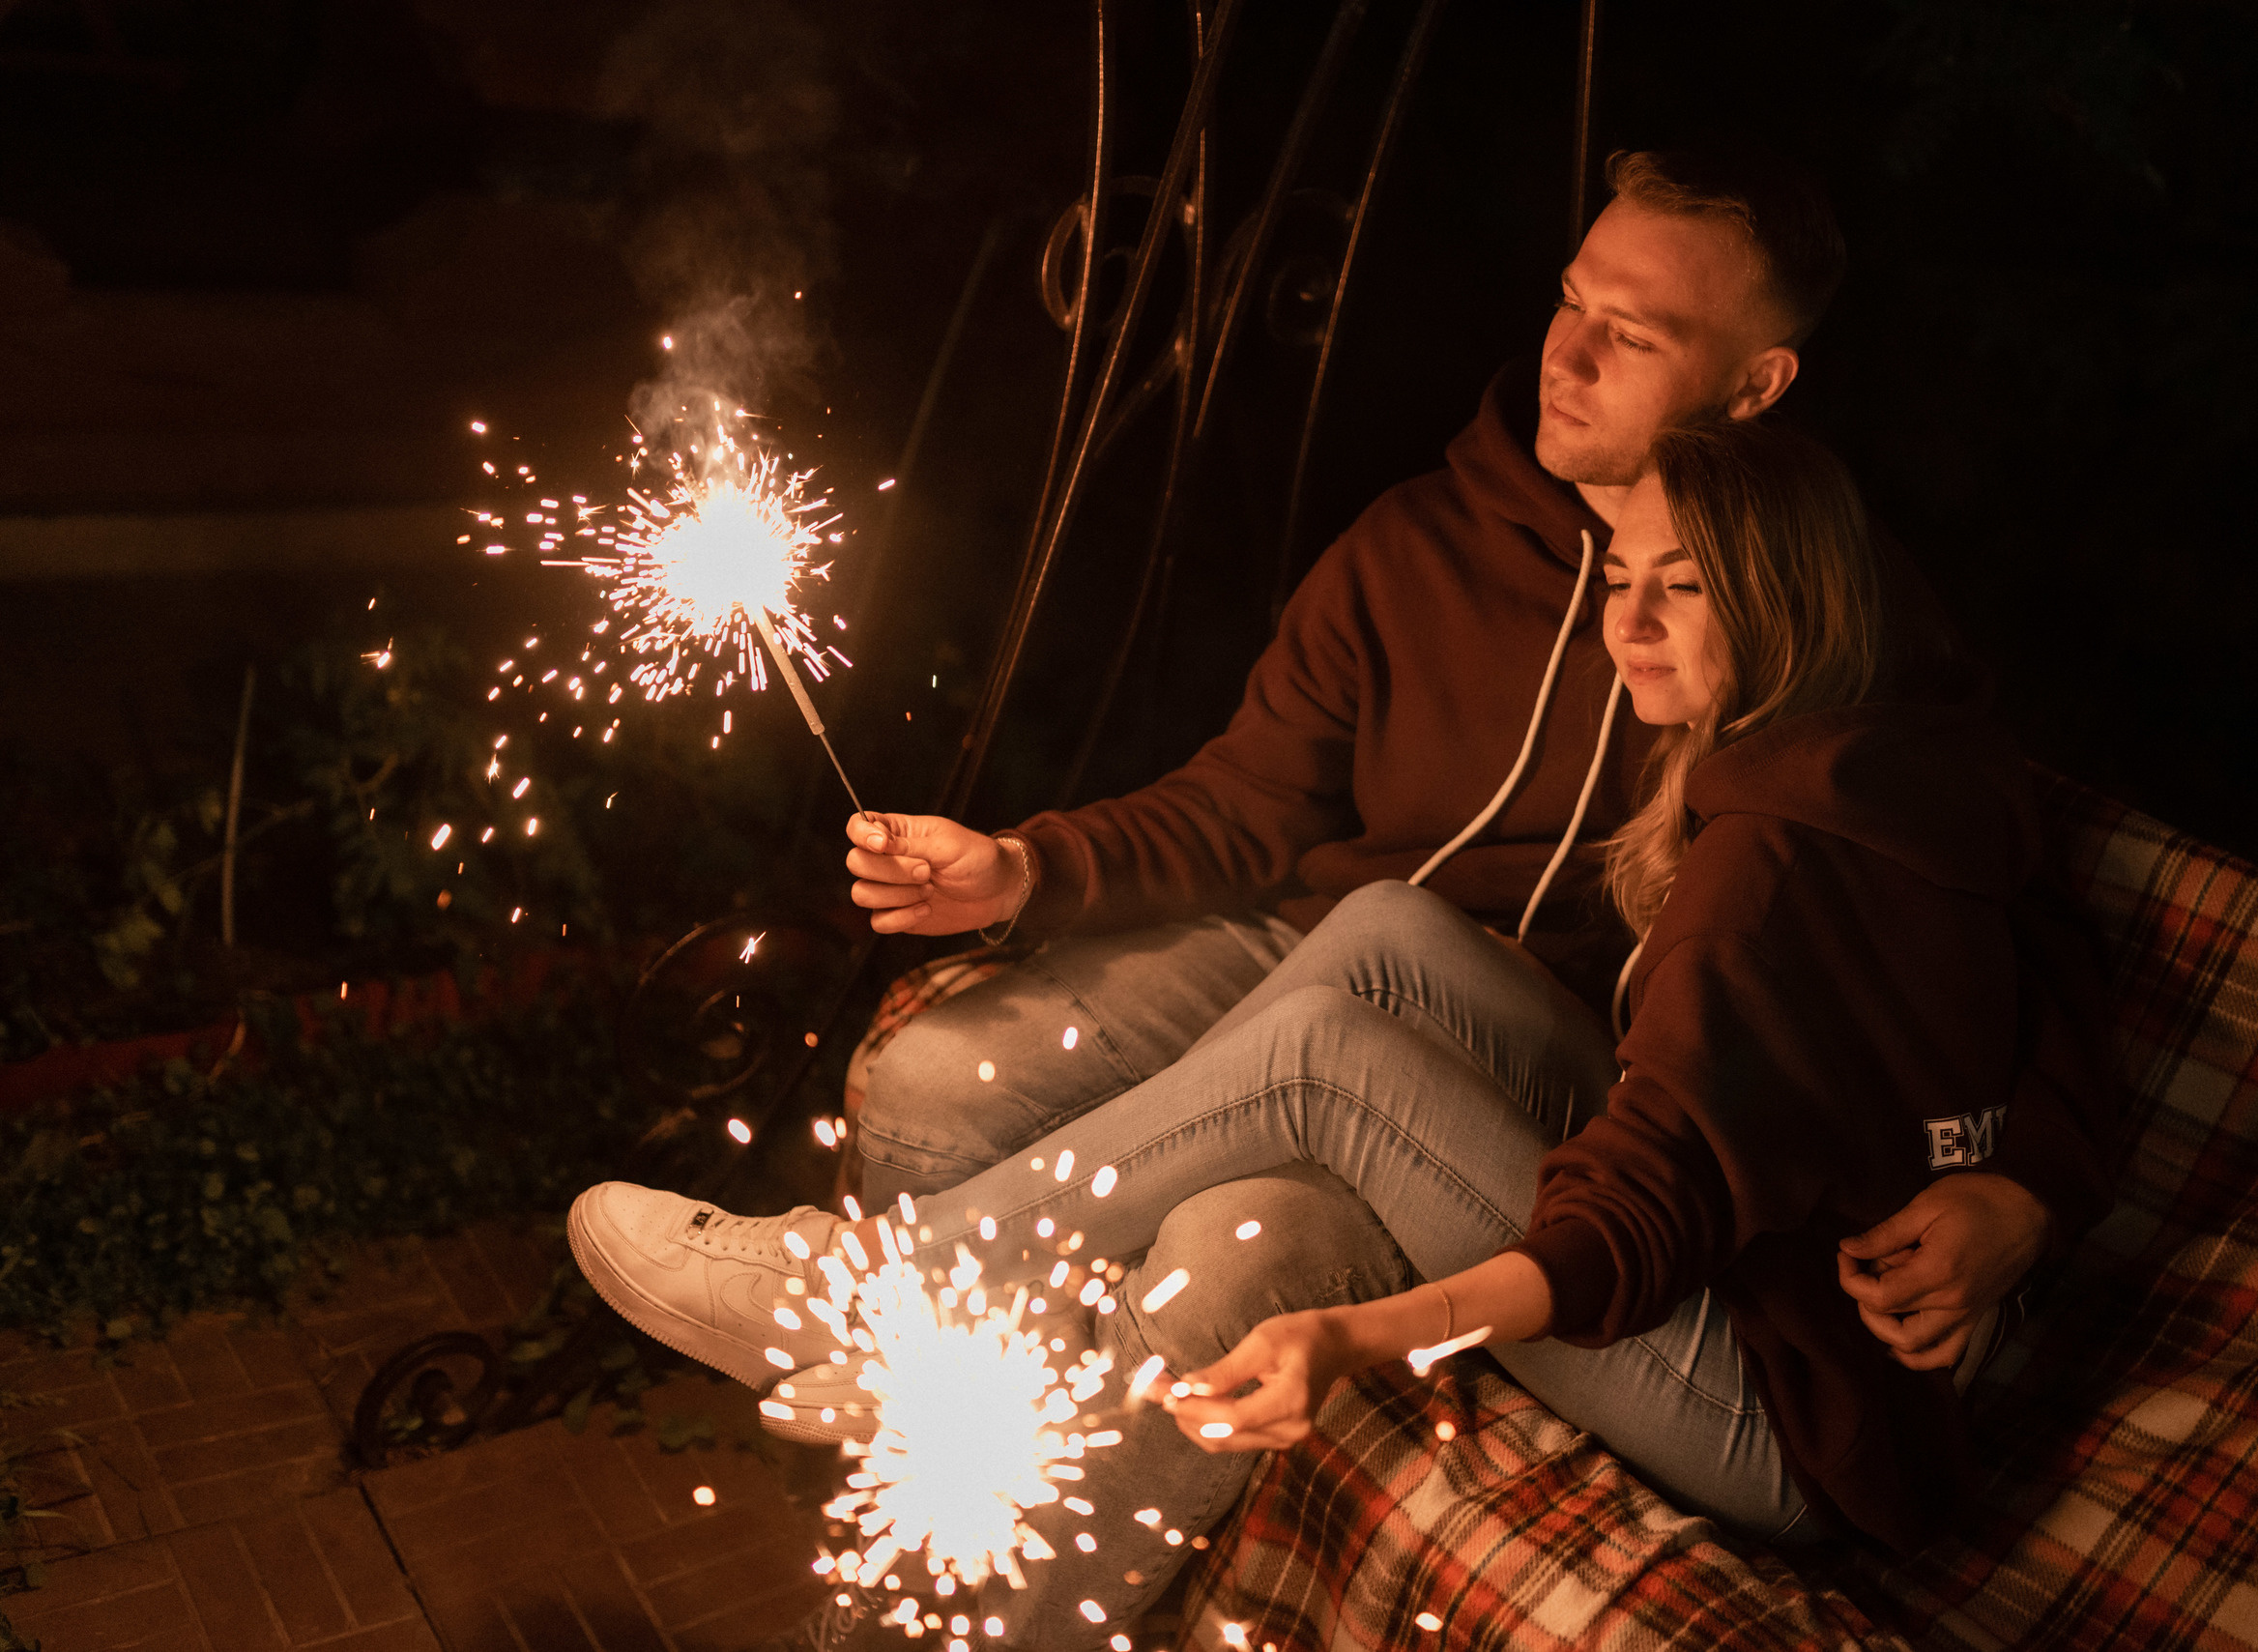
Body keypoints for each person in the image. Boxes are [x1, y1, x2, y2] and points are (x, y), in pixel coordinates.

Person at [569, 420, 2118, 1649]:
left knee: (1318, 1081)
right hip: (1805, 1260)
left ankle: (865, 1297)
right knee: (1372, 956)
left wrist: (1359, 1334)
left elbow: (1639, 1220)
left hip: (1805, 1412)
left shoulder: (1763, 864)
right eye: (1620, 578)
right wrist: (2014, 1178)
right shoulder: (1902, 743)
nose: (1625, 627)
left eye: (1681, 588)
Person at [833, 147, 2047, 1380]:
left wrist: (2028, 1186)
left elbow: (2005, 903)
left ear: (1753, 385)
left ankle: (995, 1481)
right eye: (1570, 300)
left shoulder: (1813, 617)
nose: (1561, 359)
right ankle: (892, 1400)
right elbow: (1246, 799)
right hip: (1312, 953)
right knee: (934, 1082)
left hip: (1519, 1070)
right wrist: (1024, 868)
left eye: (1628, 336)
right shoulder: (1417, 541)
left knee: (1229, 1251)